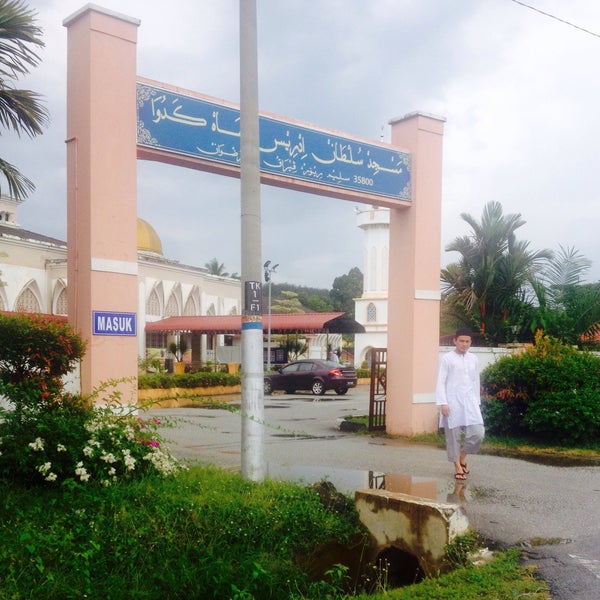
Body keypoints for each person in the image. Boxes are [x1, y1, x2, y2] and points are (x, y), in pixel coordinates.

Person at [435, 328, 485, 481]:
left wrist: (476, 402)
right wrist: (443, 403)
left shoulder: (473, 359)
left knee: (478, 433)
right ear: (455, 341)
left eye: (467, 341)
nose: (464, 344)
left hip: (470, 401)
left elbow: (476, 381)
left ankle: (462, 456)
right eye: (461, 341)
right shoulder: (447, 359)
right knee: (453, 437)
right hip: (452, 402)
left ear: (470, 342)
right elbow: (440, 381)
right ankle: (457, 465)